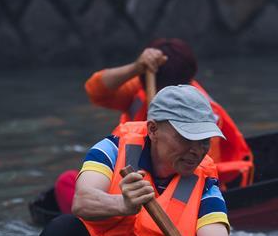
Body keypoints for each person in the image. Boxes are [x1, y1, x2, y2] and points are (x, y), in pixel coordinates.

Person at [31, 85, 248, 236]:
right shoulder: (110, 149)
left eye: (204, 141)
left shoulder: (206, 182)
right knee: (62, 229)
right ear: (153, 129)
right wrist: (122, 204)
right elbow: (82, 202)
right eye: (187, 138)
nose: (197, 150)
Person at [54, 39, 254, 212]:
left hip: (175, 186)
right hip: (130, 179)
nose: (164, 96)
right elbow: (96, 90)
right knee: (68, 182)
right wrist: (136, 67)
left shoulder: (202, 113)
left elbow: (200, 168)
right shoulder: (137, 91)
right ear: (152, 129)